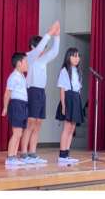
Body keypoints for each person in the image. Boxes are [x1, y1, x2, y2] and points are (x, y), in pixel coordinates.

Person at [20, 21, 61, 164]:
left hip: (41, 93)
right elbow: (39, 49)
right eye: (41, 47)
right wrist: (49, 33)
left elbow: (54, 52)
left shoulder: (43, 60)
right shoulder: (30, 57)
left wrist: (57, 36)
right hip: (32, 91)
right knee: (30, 123)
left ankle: (32, 153)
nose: (43, 50)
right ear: (33, 47)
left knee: (38, 123)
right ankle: (24, 153)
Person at [55, 47, 84, 164]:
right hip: (68, 99)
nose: (77, 58)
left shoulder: (77, 71)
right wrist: (63, 105)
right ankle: (62, 155)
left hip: (76, 98)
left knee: (72, 128)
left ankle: (66, 154)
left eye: (78, 56)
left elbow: (78, 88)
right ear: (68, 57)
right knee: (67, 128)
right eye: (74, 56)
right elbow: (62, 90)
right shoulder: (65, 71)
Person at [2, 52, 29, 167]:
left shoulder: (22, 76)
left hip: (23, 105)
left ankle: (13, 156)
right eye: (25, 62)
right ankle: (10, 157)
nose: (27, 64)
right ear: (19, 63)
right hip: (16, 105)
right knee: (16, 133)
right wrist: (5, 107)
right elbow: (7, 93)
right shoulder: (13, 77)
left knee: (20, 133)